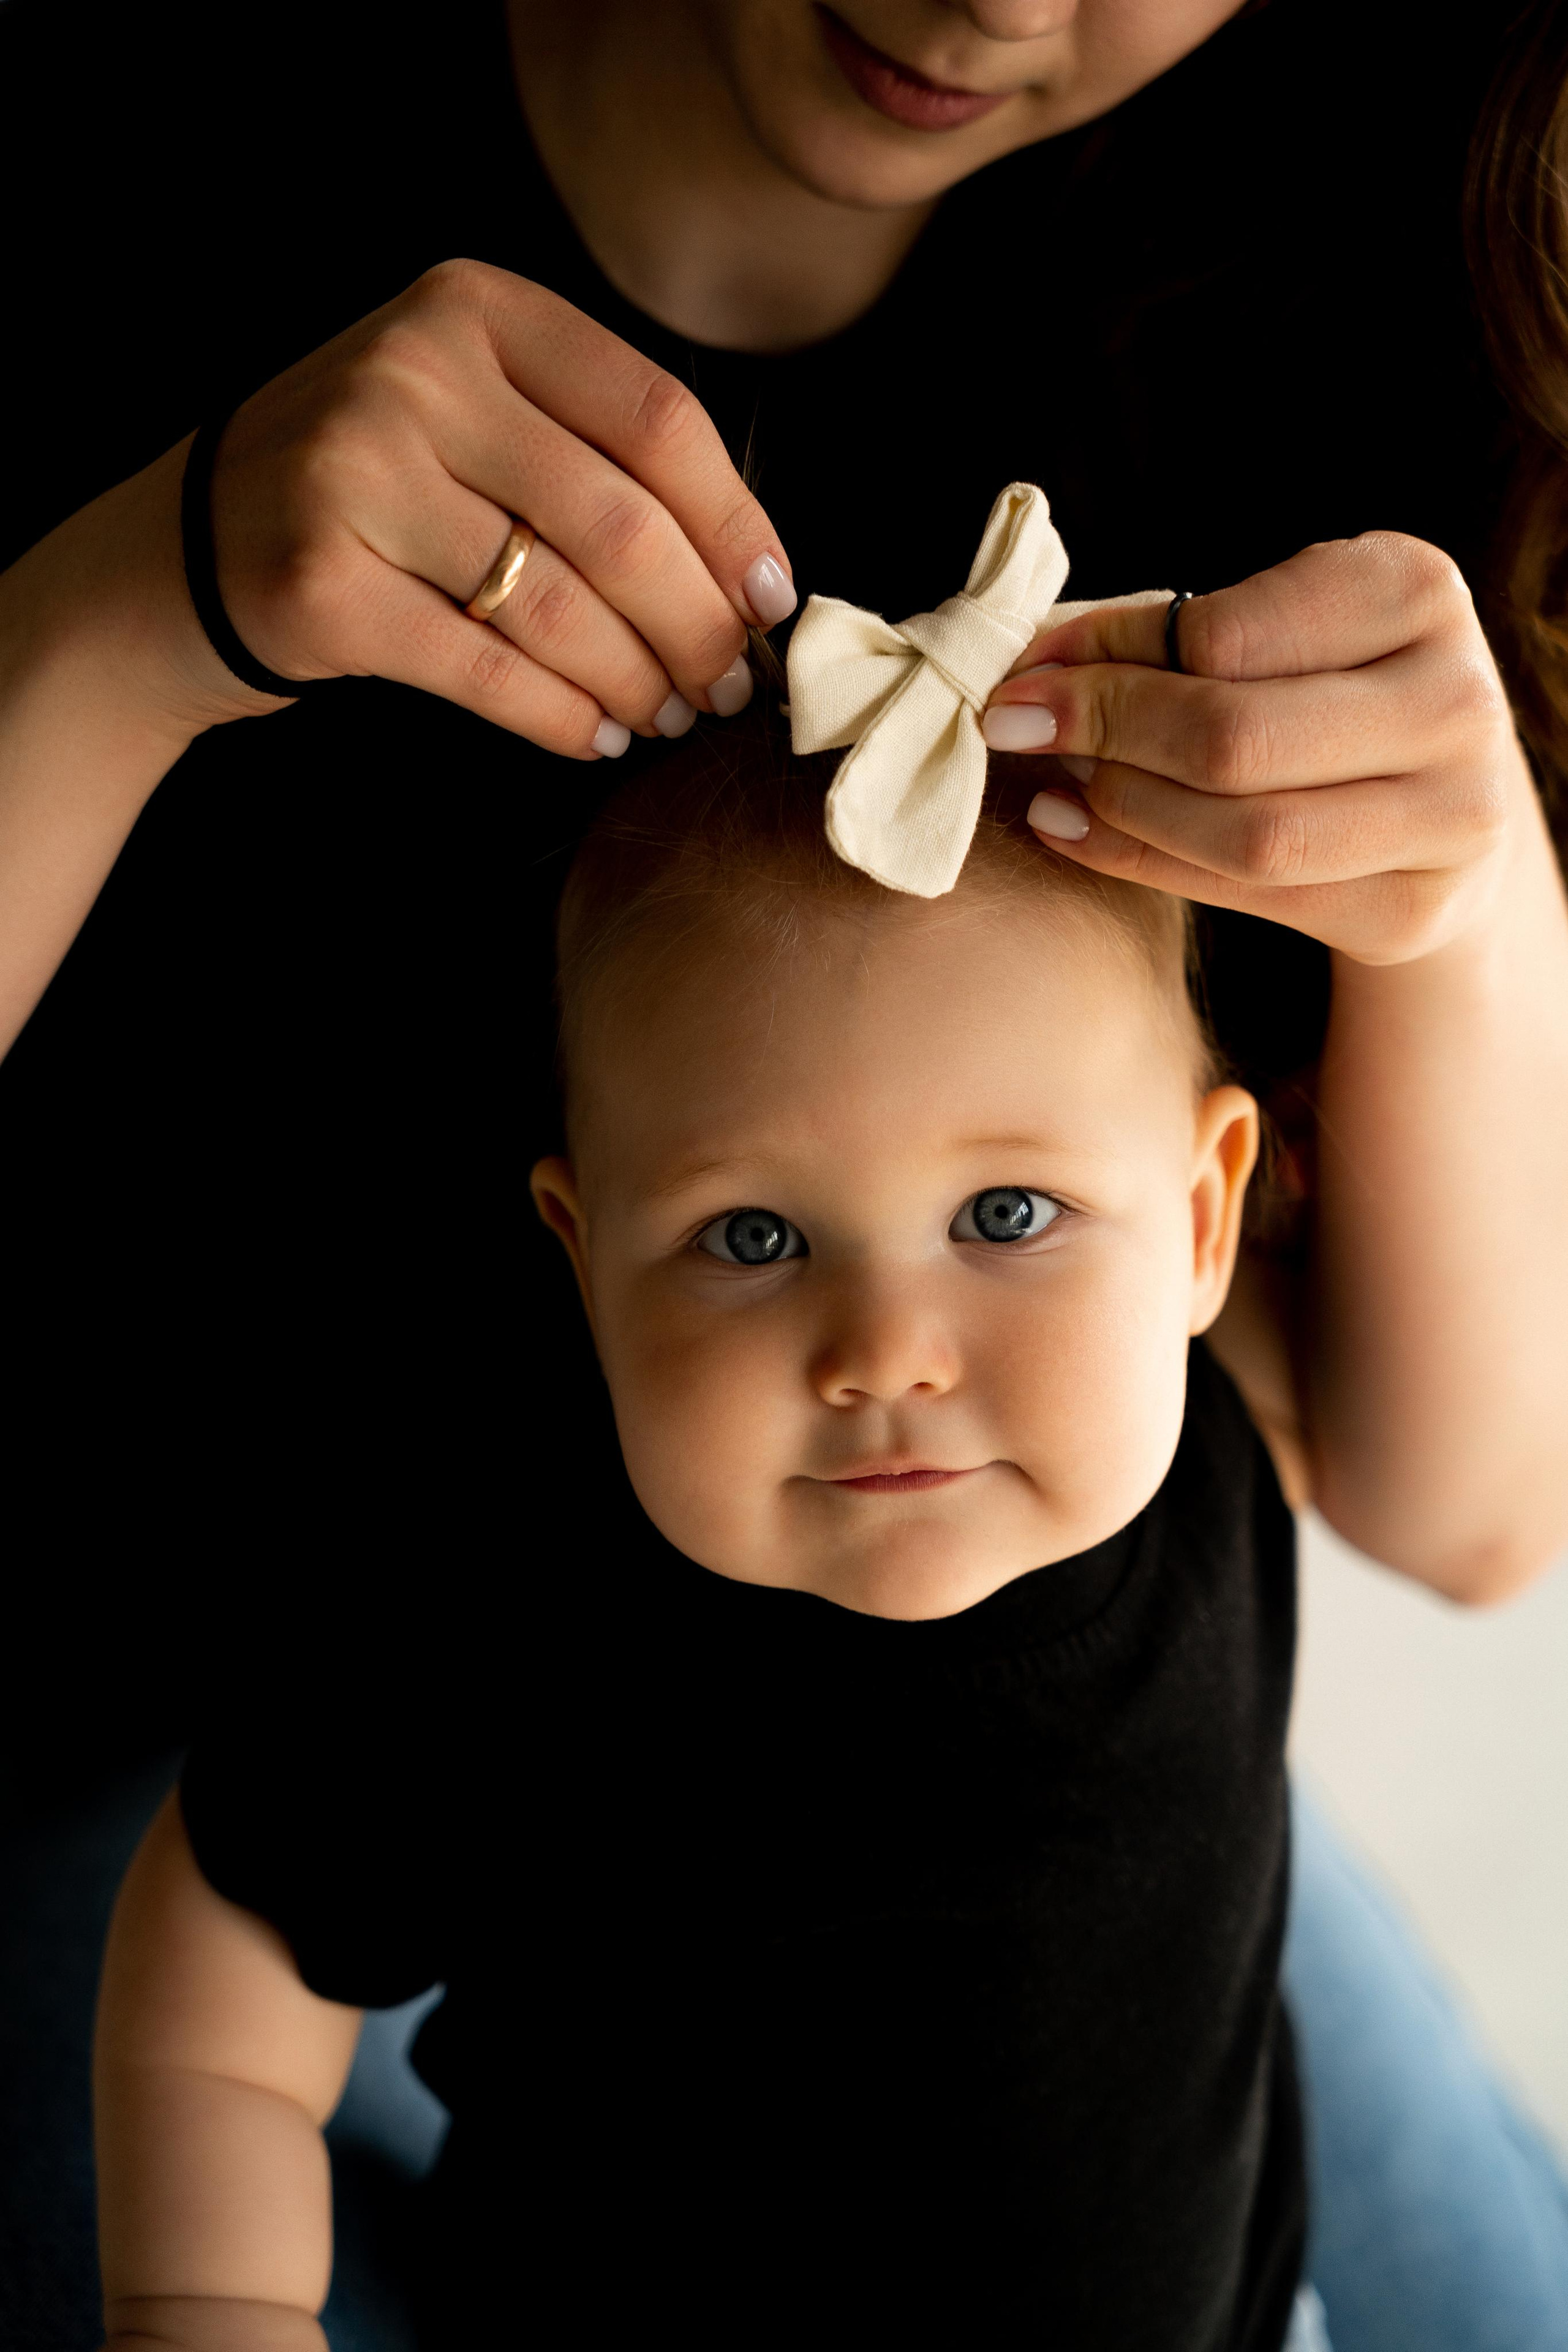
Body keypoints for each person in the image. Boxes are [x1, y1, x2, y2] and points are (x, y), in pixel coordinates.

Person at [2, 0, 1567, 2342]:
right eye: (755, 1233)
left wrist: (1470, 912)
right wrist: (139, 610)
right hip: (169, 1705)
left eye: (1010, 1213)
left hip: (1029, 1749)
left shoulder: (1287, 283)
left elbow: (1465, 1511)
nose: (996, 5)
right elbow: (218, 1987)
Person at [99, 728, 1316, 2348]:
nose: (887, 1347)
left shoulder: (1214, 1463)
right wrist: (211, 2300)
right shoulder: (517, 1620)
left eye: (1007, 1215)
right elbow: (230, 1946)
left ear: (1199, 1220)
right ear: (582, 1256)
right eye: (754, 1236)